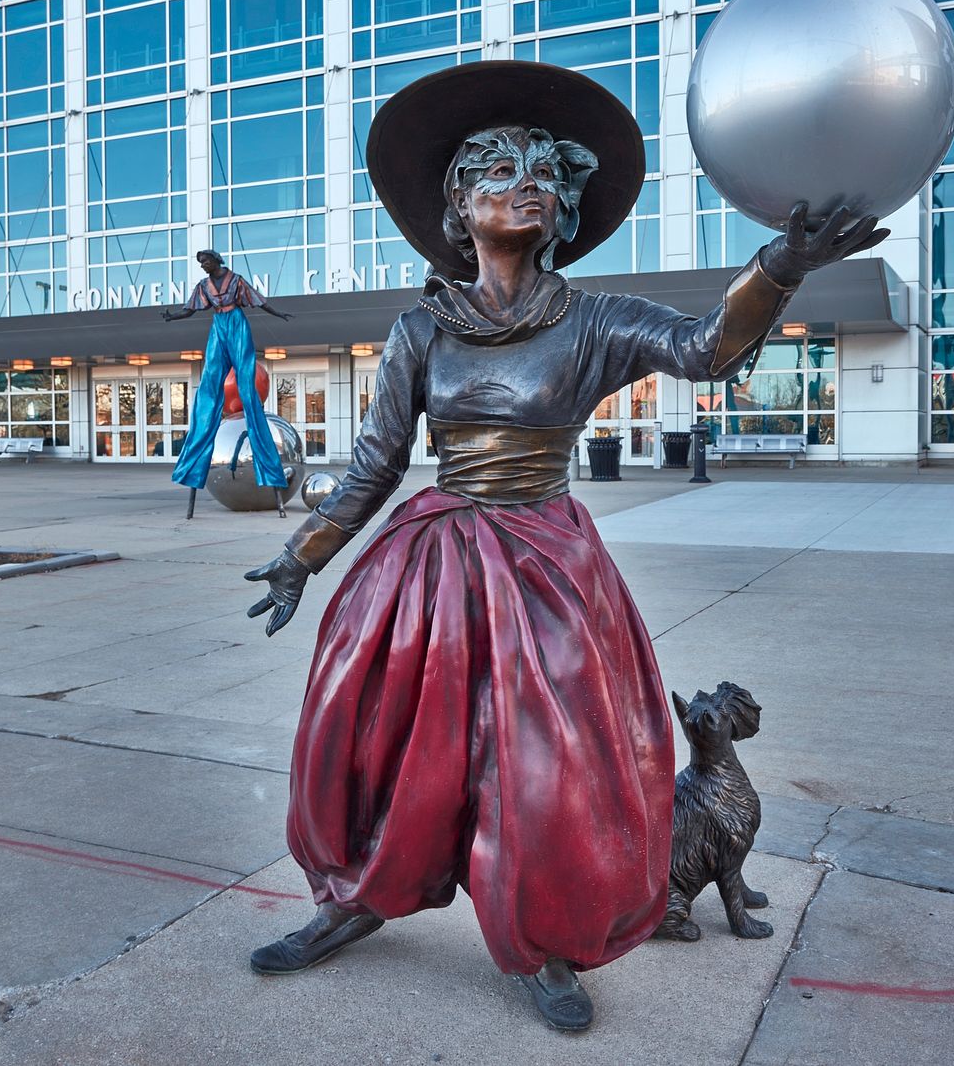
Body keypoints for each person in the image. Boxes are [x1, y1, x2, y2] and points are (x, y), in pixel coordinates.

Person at [243, 62, 885, 1032]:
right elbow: (376, 464)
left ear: (564, 210)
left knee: (548, 765)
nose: (527, 180)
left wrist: (779, 268)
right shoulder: (420, 330)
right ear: (459, 206)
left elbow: (707, 348)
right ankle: (356, 896)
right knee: (375, 736)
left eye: (545, 170)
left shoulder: (592, 319)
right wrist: (304, 552)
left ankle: (545, 939)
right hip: (432, 566)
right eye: (498, 168)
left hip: (547, 566)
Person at [162, 250, 292, 516]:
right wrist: (172, 316)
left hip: (236, 324)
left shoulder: (235, 280)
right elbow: (189, 309)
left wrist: (278, 313)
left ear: (216, 261)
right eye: (200, 263)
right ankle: (192, 465)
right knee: (209, 386)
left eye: (206, 262)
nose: (203, 266)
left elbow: (258, 301)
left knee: (247, 387)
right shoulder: (203, 286)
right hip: (219, 327)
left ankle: (269, 471)